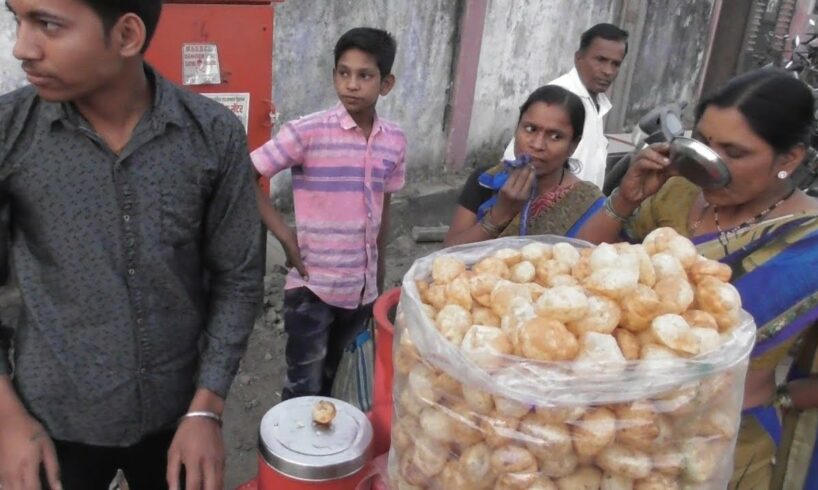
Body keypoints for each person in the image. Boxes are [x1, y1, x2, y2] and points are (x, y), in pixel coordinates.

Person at [0, 0, 264, 489]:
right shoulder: (9, 135)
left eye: (47, 24)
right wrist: (6, 419)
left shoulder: (211, 136)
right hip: (51, 422)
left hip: (178, 415)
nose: (22, 47)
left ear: (125, 36)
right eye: (18, 19)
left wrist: (207, 409)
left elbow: (238, 276)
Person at [575, 68, 818, 489]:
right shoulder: (676, 194)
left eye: (734, 152)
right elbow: (575, 273)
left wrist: (771, 397)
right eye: (703, 143)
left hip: (724, 444)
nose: (710, 164)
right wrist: (627, 197)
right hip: (613, 432)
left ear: (790, 159)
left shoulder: (809, 243)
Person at [252, 27, 406, 401]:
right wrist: (285, 236)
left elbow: (384, 206)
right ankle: (293, 455)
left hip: (361, 289)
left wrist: (378, 272)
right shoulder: (307, 133)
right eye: (343, 72)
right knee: (304, 388)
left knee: (343, 384)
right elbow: (244, 176)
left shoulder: (394, 141)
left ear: (385, 84)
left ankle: (332, 457)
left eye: (364, 75)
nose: (351, 84)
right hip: (312, 287)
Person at [444, 85, 604, 247]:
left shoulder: (588, 204)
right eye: (530, 129)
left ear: (573, 145)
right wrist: (500, 215)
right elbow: (446, 256)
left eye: (555, 136)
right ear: (517, 129)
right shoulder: (487, 181)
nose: (537, 144)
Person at [502, 23, 628, 188]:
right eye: (601, 60)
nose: (608, 71)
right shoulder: (558, 101)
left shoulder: (596, 103)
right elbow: (516, 161)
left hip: (584, 208)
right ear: (578, 58)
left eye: (615, 64)